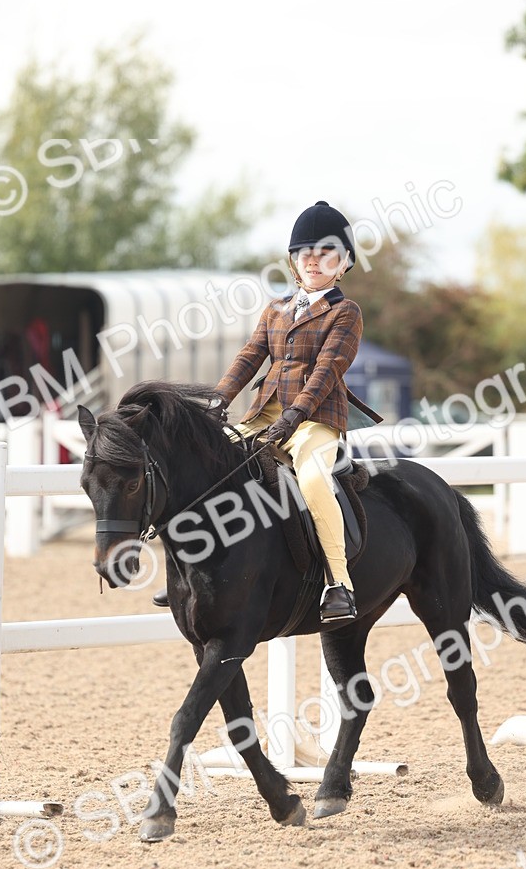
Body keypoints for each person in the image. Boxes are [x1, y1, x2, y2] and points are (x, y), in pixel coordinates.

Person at [154, 201, 381, 623]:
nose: (314, 261)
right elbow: (250, 355)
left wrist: (295, 416)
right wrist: (220, 398)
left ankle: (339, 583)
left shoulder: (346, 312)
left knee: (312, 480)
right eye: (305, 253)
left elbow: (328, 369)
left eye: (326, 254)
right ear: (294, 261)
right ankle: (190, 569)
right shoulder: (277, 308)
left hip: (314, 420)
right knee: (204, 464)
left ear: (344, 263)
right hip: (264, 415)